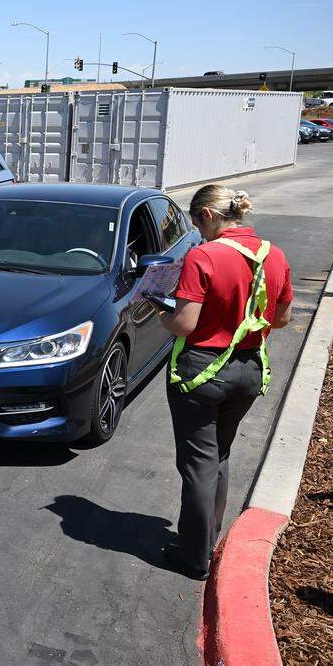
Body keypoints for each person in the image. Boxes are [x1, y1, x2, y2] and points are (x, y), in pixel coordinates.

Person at [158, 185, 293, 580]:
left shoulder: (204, 255)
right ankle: (208, 539)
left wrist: (158, 309)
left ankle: (193, 559)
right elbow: (282, 318)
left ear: (211, 217)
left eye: (197, 222)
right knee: (219, 453)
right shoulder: (273, 253)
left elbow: (184, 323)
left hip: (202, 370)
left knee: (198, 462)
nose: (197, 231)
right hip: (249, 369)